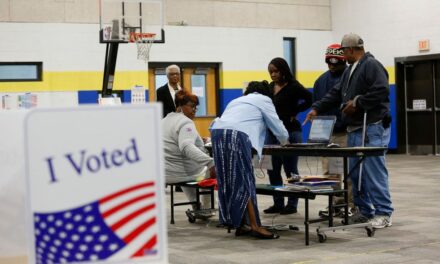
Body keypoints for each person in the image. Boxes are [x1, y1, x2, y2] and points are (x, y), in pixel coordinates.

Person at [304, 33, 393, 229]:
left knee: (373, 171)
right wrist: (317, 108)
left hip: (371, 126)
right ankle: (364, 210)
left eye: (344, 51)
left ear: (350, 50)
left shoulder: (371, 65)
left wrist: (358, 102)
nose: (343, 56)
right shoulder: (351, 70)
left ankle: (384, 212)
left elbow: (381, 90)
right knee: (355, 173)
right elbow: (336, 93)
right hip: (354, 128)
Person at [210, 81, 288, 239]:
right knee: (245, 180)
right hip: (236, 136)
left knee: (229, 181)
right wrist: (286, 141)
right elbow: (277, 126)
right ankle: (255, 226)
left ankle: (240, 224)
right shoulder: (264, 100)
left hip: (217, 134)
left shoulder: (236, 101)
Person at [264, 57, 312, 215]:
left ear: (283, 71)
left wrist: (296, 111)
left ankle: (292, 204)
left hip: (291, 131)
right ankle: (278, 203)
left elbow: (310, 99)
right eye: (271, 72)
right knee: (273, 169)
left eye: (276, 71)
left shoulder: (293, 86)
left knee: (290, 169)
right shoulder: (270, 87)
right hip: (272, 132)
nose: (273, 75)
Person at [312, 44, 353, 217]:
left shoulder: (352, 77)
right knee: (330, 172)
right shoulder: (320, 81)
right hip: (327, 133)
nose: (332, 65)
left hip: (346, 131)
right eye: (329, 62)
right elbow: (317, 106)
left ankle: (351, 204)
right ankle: (336, 204)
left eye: (337, 62)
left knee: (350, 170)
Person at [162, 90, 216, 218]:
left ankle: (196, 205)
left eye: (196, 107)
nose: (194, 110)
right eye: (191, 106)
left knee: (189, 167)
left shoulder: (164, 120)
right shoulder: (186, 122)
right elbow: (186, 146)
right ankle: (207, 209)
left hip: (165, 173)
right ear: (180, 107)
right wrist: (210, 162)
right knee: (208, 171)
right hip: (180, 173)